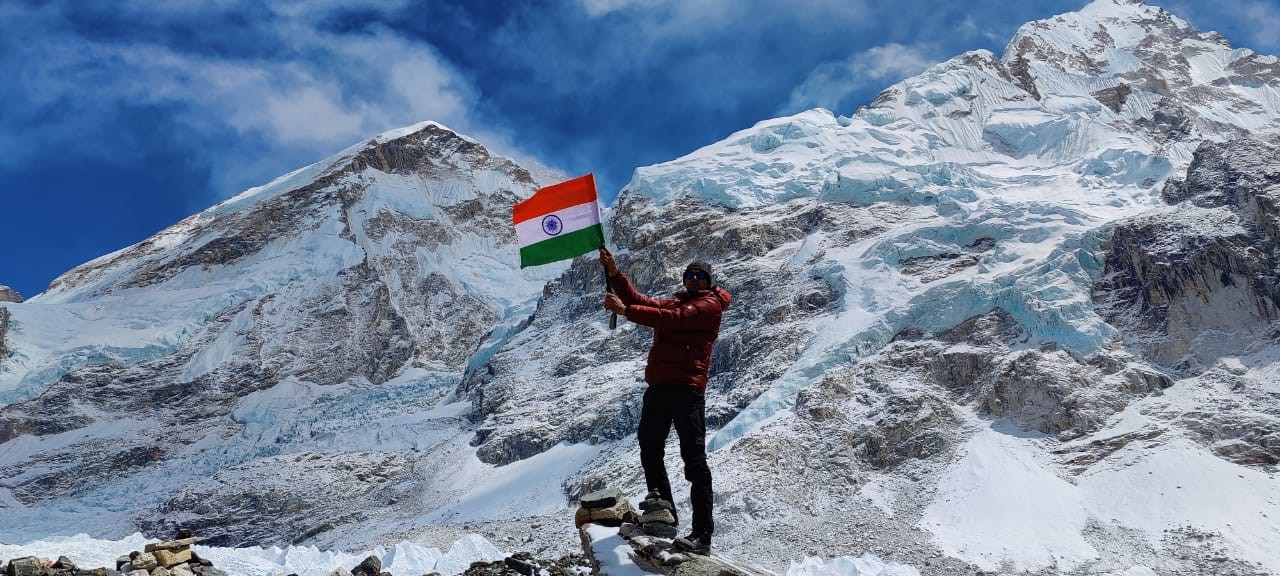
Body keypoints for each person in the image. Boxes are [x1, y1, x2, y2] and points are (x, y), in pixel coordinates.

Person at [600, 247, 732, 555]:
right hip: (660, 385)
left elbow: (670, 318)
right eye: (689, 275)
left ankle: (702, 535)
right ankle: (664, 511)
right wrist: (615, 274)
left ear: (710, 282)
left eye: (700, 276)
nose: (694, 279)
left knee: (694, 461)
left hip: (687, 387)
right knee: (649, 445)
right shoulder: (679, 302)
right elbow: (641, 301)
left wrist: (624, 312)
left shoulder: (709, 305)